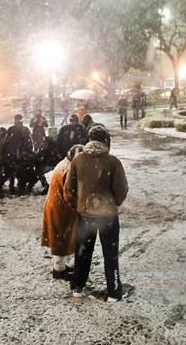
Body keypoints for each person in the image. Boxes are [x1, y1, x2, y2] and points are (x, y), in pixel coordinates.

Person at [65, 125, 128, 302]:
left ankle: (78, 287)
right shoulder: (112, 161)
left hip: (85, 215)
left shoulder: (78, 160)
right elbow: (121, 189)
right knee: (111, 254)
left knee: (82, 253)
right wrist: (114, 202)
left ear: (89, 139)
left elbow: (69, 188)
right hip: (108, 216)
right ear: (105, 139)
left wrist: (77, 205)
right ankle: (113, 293)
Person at [41, 144, 84, 280]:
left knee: (58, 238)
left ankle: (60, 267)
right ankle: (59, 271)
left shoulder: (63, 163)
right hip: (60, 209)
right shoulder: (70, 169)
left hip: (55, 204)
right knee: (60, 239)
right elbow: (69, 194)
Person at [5, 114, 34, 195]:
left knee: (13, 172)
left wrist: (8, 151)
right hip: (22, 154)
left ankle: (12, 188)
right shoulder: (25, 129)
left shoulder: (11, 129)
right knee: (21, 172)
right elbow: (30, 142)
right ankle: (21, 188)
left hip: (14, 154)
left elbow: (7, 141)